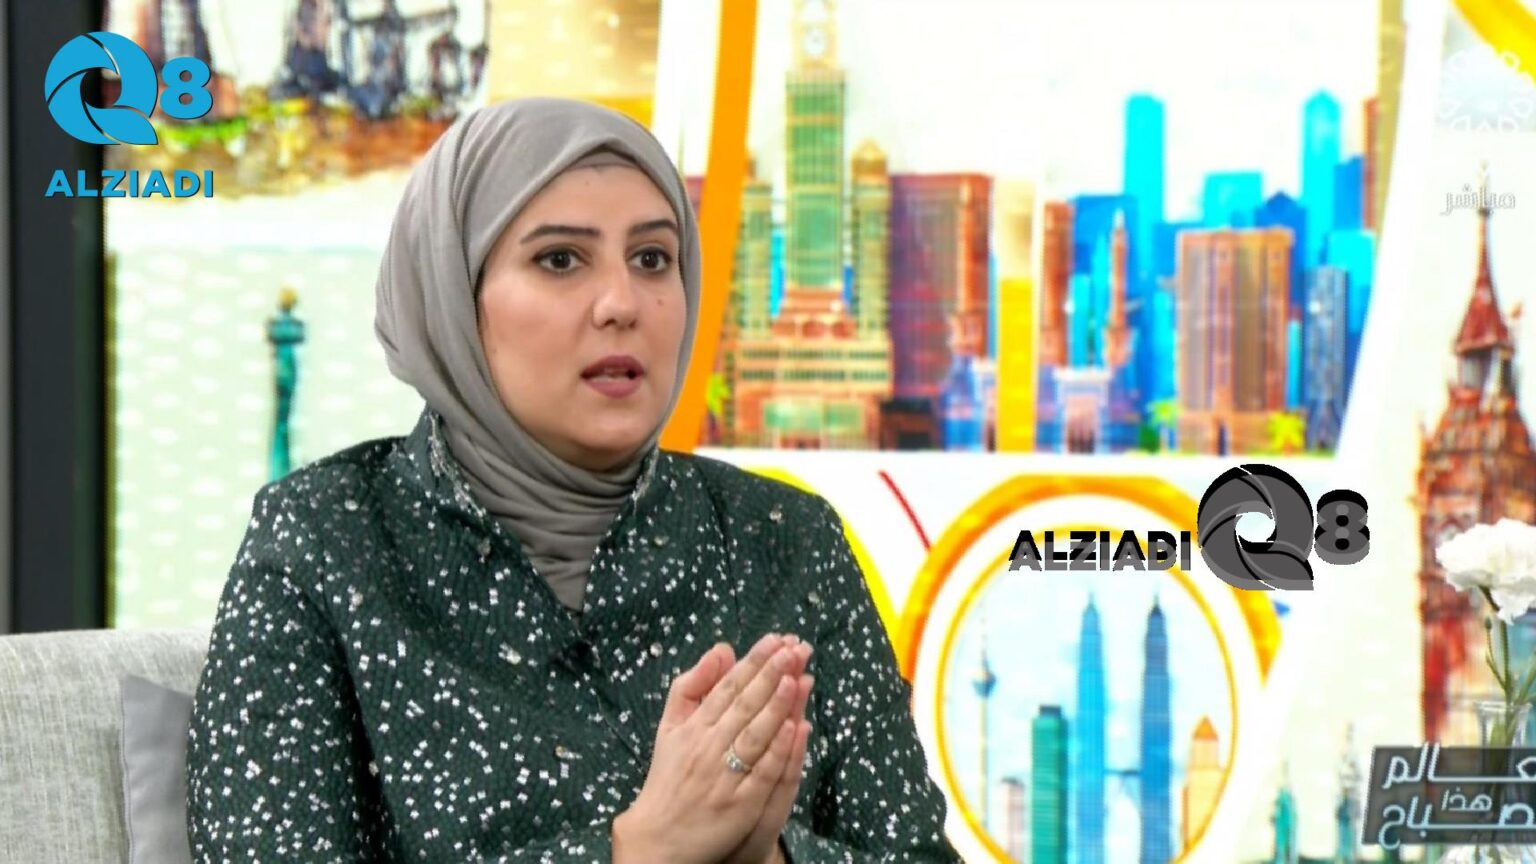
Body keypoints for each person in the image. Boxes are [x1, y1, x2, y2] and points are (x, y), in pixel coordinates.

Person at [186, 97, 962, 864]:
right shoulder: (326, 541)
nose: (622, 304)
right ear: (451, 295)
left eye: (652, 259)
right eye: (560, 260)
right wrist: (640, 850)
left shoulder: (786, 540)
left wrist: (767, 860)